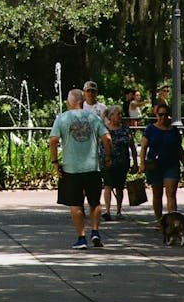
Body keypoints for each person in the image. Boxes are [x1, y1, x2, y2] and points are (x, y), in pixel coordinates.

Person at [50, 89, 113, 248]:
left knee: (75, 204)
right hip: (92, 167)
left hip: (72, 169)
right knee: (95, 202)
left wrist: (55, 162)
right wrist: (107, 156)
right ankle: (96, 232)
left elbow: (53, 141)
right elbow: (107, 138)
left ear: (70, 102)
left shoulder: (62, 118)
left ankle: (81, 238)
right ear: (82, 100)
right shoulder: (93, 117)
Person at [139, 100, 184, 221]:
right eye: (160, 114)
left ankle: (172, 222)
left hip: (171, 165)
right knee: (157, 194)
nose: (163, 117)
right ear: (156, 115)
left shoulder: (174, 131)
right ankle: (159, 220)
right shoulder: (150, 129)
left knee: (171, 194)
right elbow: (144, 147)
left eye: (165, 114)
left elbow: (179, 149)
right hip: (155, 165)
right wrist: (142, 163)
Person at [101, 105, 137, 220]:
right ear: (111, 116)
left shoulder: (125, 130)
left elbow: (132, 147)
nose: (120, 116)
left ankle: (119, 211)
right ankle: (107, 211)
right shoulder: (103, 129)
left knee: (120, 187)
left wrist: (135, 162)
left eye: (121, 114)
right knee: (107, 185)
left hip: (122, 163)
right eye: (118, 114)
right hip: (107, 162)